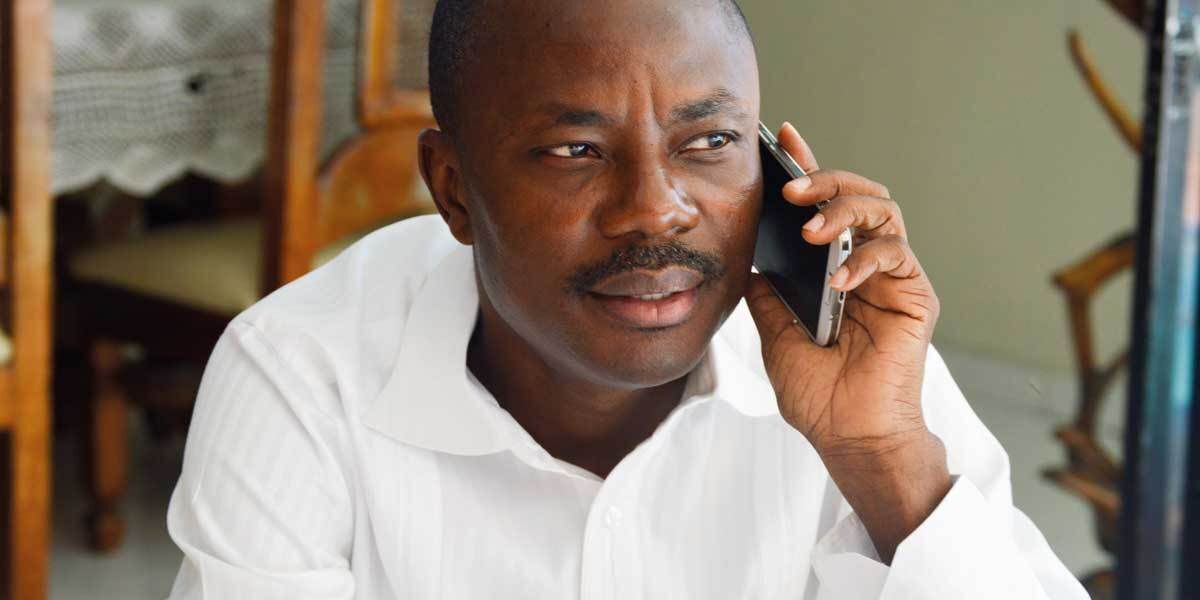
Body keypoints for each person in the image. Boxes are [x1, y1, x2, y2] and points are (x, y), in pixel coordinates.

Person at [165, 0, 1088, 598]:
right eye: (575, 151)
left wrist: (885, 460)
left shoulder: (850, 362)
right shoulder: (299, 373)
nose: (656, 208)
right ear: (452, 189)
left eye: (710, 141)